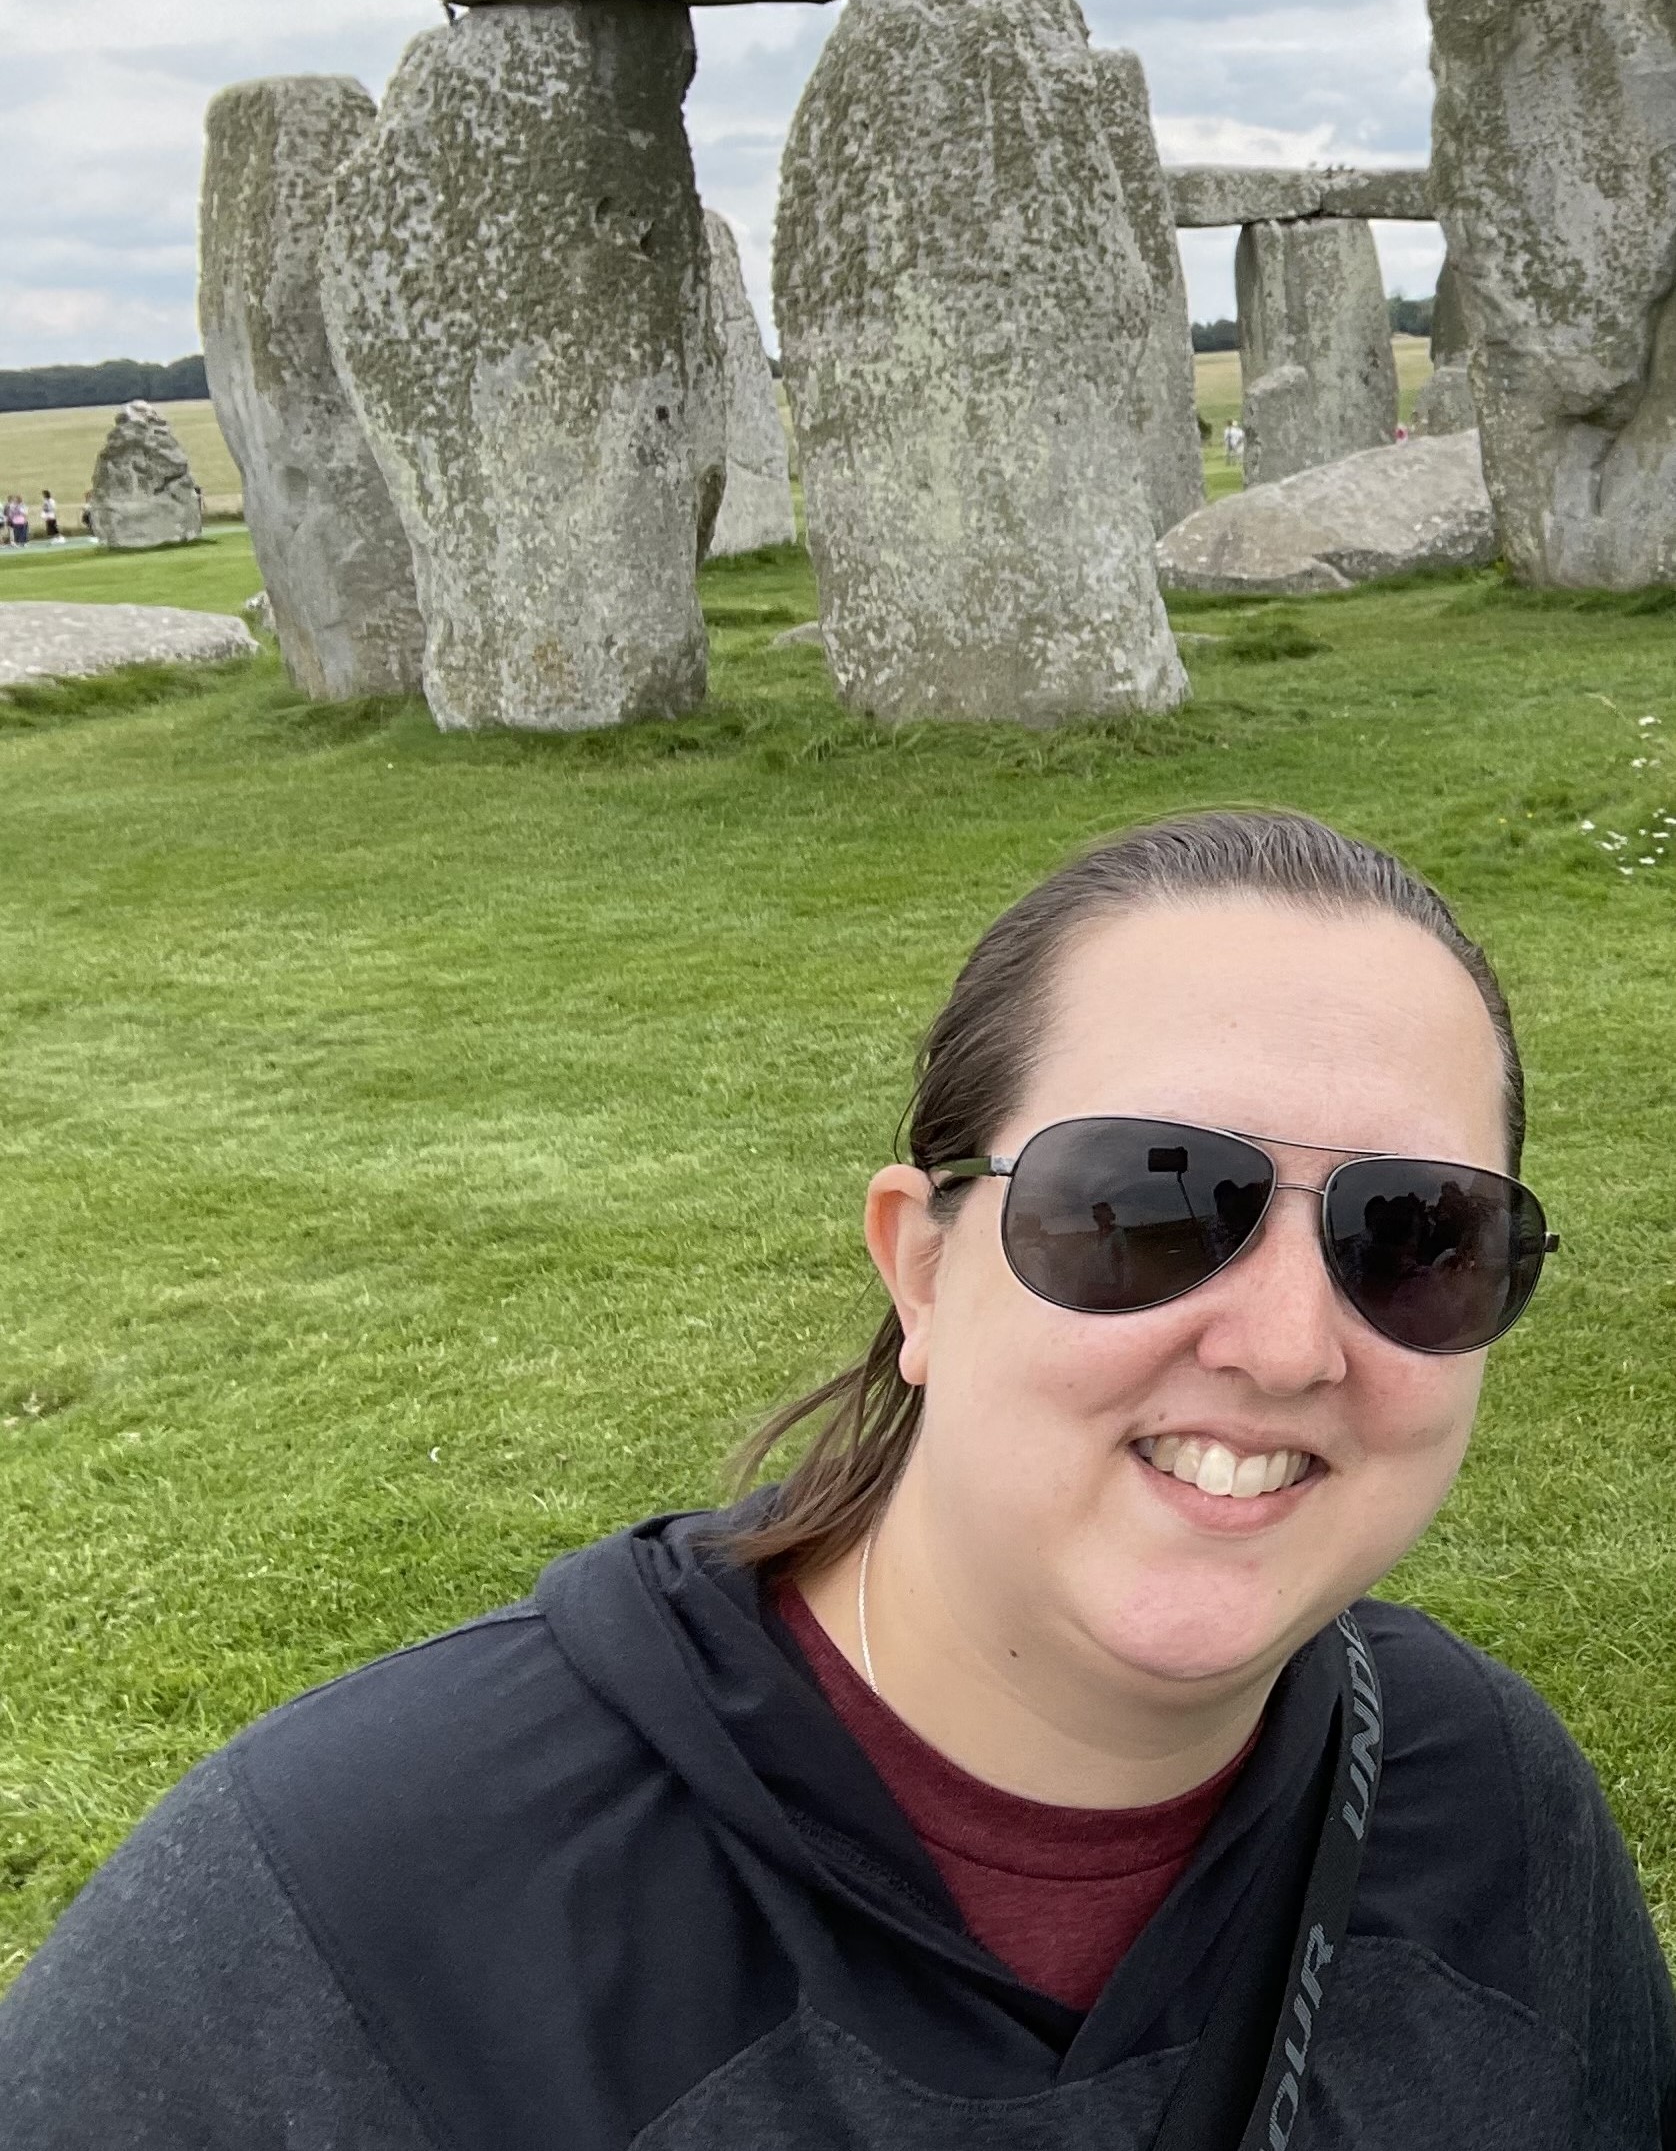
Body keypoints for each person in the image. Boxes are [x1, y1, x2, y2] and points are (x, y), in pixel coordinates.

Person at [2, 810, 1672, 2149]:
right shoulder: (341, 1912)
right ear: (924, 1270)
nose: (1291, 1341)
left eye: (1419, 1235)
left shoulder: (1489, 1812)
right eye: (1151, 1203)